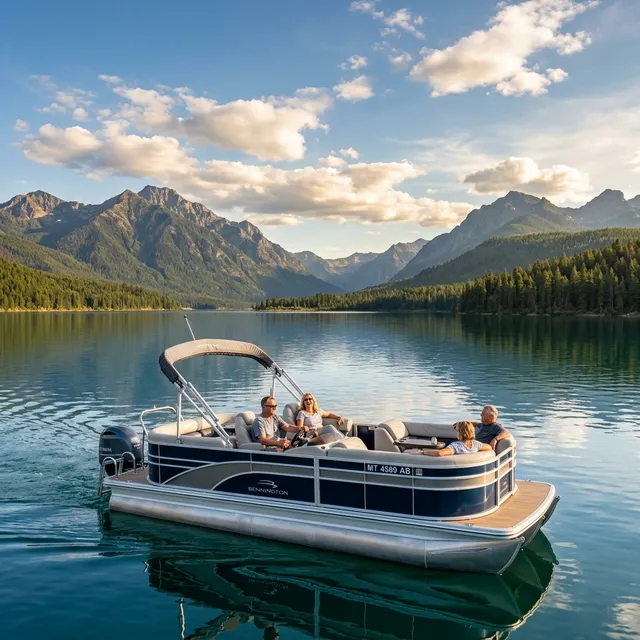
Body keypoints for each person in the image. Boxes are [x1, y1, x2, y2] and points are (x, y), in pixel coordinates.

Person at [423, 421, 492, 457]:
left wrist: (422, 452)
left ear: (459, 432)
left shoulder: (456, 446)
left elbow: (440, 453)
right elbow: (489, 447)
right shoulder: (476, 444)